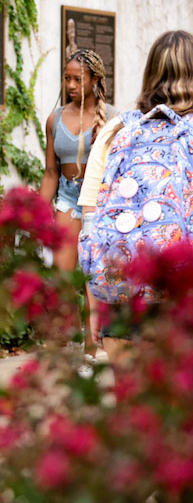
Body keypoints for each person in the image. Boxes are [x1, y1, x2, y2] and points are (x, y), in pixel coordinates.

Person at [78, 30, 193, 365]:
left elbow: (91, 225)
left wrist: (95, 308)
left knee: (132, 411)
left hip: (124, 301)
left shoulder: (116, 132)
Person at [39, 48, 110, 357]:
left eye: (77, 79)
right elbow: (51, 172)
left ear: (94, 79)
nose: (70, 85)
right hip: (68, 199)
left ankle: (91, 347)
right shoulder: (55, 119)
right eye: (66, 78)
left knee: (92, 279)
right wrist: (37, 215)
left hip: (98, 203)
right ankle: (56, 345)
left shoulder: (112, 118)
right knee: (62, 275)